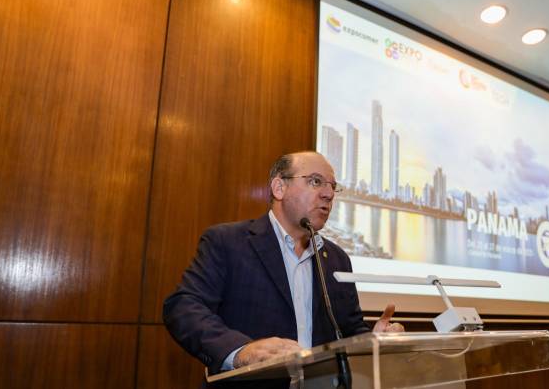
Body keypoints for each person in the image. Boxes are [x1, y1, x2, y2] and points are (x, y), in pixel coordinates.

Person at [163, 151, 403, 387]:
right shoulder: (228, 242)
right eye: (316, 181)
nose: (329, 194)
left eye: (332, 186)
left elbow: (348, 329)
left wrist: (374, 339)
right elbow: (184, 307)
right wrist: (240, 351)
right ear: (279, 188)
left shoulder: (337, 258)